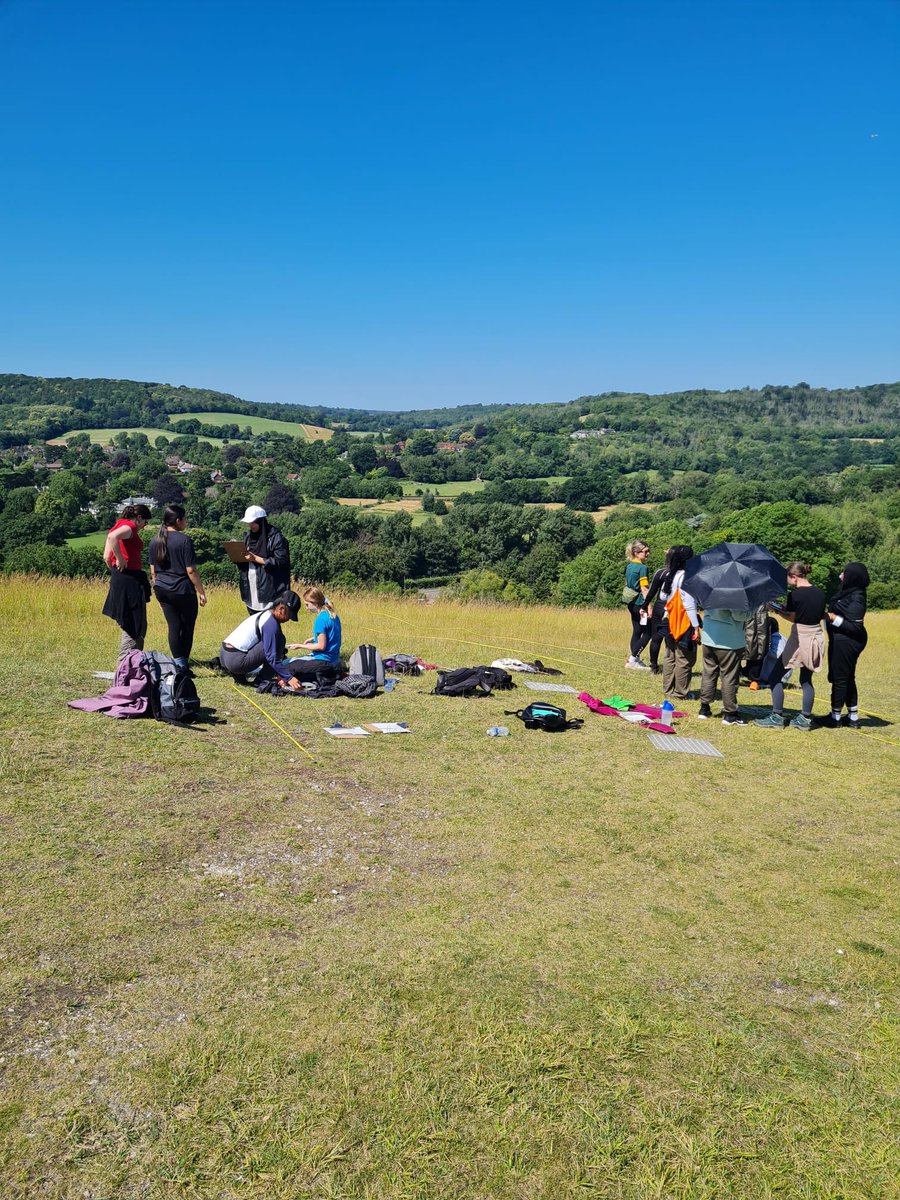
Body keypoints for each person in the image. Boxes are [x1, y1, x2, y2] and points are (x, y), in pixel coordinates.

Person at [755, 561, 826, 731]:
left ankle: (777, 716)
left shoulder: (795, 595)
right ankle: (805, 718)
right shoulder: (820, 593)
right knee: (806, 679)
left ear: (794, 577)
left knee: (775, 676)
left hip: (800, 637)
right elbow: (814, 614)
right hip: (816, 636)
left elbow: (794, 618)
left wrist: (777, 610)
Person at [148, 504, 207, 668]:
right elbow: (191, 570)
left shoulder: (155, 540)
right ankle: (182, 665)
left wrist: (157, 588)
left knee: (173, 626)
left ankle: (179, 663)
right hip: (182, 589)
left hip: (161, 588)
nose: (186, 522)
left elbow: (153, 571)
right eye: (185, 519)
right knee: (187, 628)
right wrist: (201, 592)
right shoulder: (184, 541)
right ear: (178, 520)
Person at [219, 591, 304, 690]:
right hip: (235, 661)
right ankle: (261, 681)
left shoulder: (264, 614)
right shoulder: (271, 624)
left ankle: (239, 678)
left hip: (224, 655)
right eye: (289, 616)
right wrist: (289, 678)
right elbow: (271, 657)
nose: (288, 619)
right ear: (281, 609)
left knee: (276, 640)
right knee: (279, 641)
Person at [102, 502, 152, 662]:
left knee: (129, 619)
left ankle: (130, 660)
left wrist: (115, 566)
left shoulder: (118, 524)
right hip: (129, 578)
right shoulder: (129, 527)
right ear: (139, 518)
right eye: (145, 522)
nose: (145, 526)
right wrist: (122, 559)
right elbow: (112, 538)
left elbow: (105, 556)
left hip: (120, 577)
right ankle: (128, 662)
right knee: (134, 622)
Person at [823, 562, 869, 729]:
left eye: (844, 573)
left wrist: (832, 618)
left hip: (847, 641)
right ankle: (853, 717)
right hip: (842, 639)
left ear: (853, 577)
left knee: (840, 678)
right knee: (848, 678)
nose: (840, 575)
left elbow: (855, 626)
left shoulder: (857, 597)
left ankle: (835, 718)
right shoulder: (848, 592)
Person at [697, 600, 755, 725]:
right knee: (729, 676)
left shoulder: (710, 588)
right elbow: (739, 615)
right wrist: (753, 609)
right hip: (728, 641)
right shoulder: (733, 593)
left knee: (708, 672)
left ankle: (704, 708)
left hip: (709, 637)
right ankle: (730, 714)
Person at [659, 545, 700, 700]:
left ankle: (668, 689)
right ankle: (680, 692)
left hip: (668, 619)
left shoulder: (671, 574)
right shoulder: (688, 577)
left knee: (670, 656)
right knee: (684, 658)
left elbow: (663, 597)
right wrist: (696, 627)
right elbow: (689, 604)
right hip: (684, 622)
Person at [236, 505, 291, 614]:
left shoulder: (276, 537)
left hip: (269, 592)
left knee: (269, 626)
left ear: (261, 521)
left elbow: (281, 561)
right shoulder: (247, 537)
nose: (250, 526)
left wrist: (255, 558)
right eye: (249, 523)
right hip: (251, 590)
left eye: (253, 523)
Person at [285, 587, 343, 679]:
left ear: (314, 603)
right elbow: (331, 634)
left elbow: (321, 646)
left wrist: (300, 646)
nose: (306, 608)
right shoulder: (333, 615)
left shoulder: (320, 620)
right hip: (334, 659)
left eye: (307, 605)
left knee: (285, 664)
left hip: (323, 660)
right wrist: (313, 638)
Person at [641, 547, 672, 675]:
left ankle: (653, 666)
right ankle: (670, 666)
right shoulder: (684, 574)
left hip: (659, 606)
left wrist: (645, 606)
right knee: (671, 640)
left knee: (656, 638)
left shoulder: (660, 573)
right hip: (672, 608)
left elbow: (651, 592)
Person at [623, 540, 651, 669]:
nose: (648, 554)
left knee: (637, 631)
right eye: (645, 551)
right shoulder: (642, 568)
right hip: (640, 604)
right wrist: (648, 607)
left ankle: (636, 659)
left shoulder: (629, 566)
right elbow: (644, 589)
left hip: (631, 603)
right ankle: (633, 660)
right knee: (648, 632)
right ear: (636, 552)